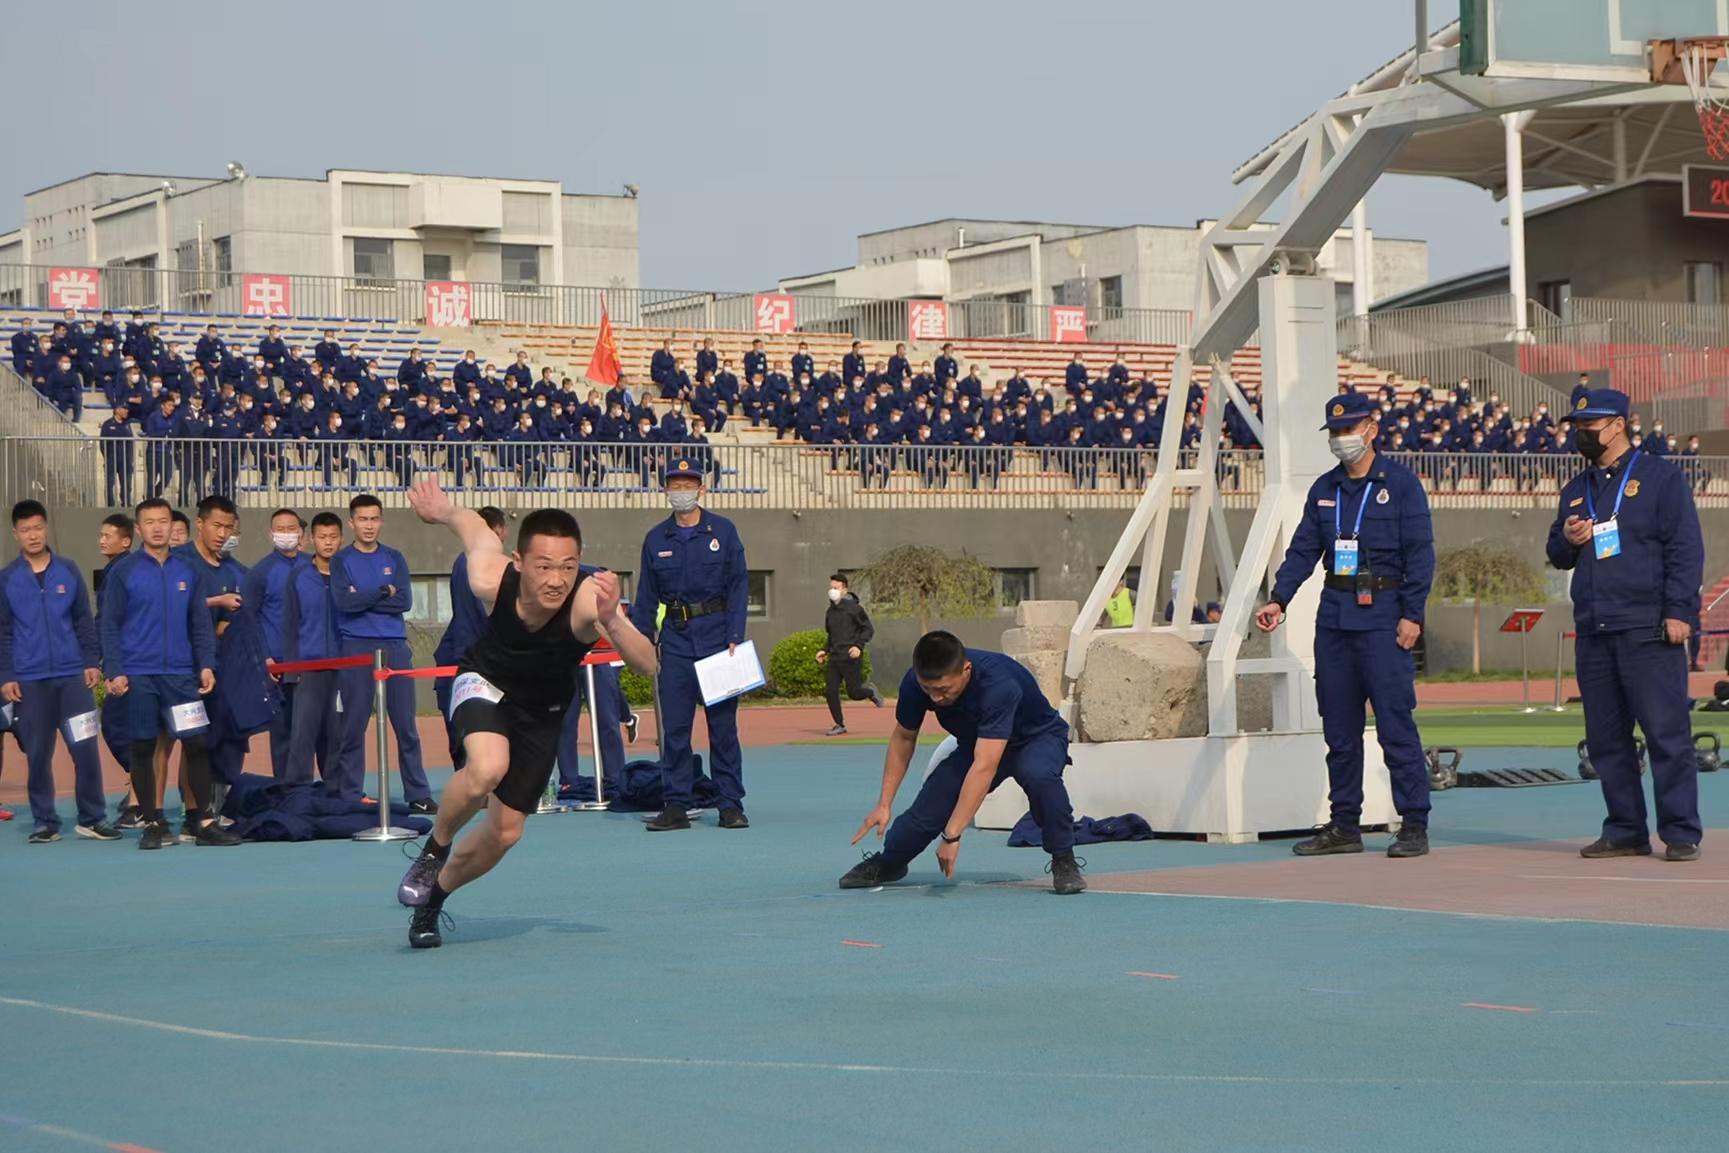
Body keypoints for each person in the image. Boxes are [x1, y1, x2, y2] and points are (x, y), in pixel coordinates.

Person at [394, 480, 658, 948]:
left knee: (506, 832)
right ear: (519, 563)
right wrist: (444, 509)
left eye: (568, 567)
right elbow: (476, 531)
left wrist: (613, 619)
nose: (556, 579)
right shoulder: (490, 576)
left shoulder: (585, 603)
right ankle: (434, 848)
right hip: (485, 683)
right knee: (486, 768)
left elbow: (649, 663)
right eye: (543, 567)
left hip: (542, 712)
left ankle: (433, 899)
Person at [1254, 391, 1435, 859]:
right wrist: (1279, 599)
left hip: (1384, 616)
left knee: (1396, 725)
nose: (1341, 439)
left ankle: (1413, 823)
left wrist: (1412, 614)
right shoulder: (1324, 489)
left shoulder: (1401, 485)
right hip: (1335, 618)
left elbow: (1421, 555)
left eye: (1348, 429)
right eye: (1334, 432)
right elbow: (1302, 552)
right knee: (1339, 730)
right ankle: (1344, 825)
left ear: (1372, 428)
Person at [1547, 388, 1704, 861]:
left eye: (1587, 425)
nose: (1579, 433)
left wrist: (1679, 611)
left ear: (1617, 424)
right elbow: (1556, 554)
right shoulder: (1576, 489)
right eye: (1575, 425)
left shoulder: (1660, 478)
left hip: (1647, 626)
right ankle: (1625, 829)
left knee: (1666, 733)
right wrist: (1569, 540)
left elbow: (1685, 548)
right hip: (1595, 628)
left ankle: (1680, 832)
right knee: (1606, 739)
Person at [840, 630, 1086, 895]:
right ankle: (890, 862)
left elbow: (984, 766)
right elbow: (903, 738)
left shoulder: (999, 684)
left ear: (966, 670)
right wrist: (884, 803)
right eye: (927, 689)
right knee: (927, 812)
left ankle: (1064, 858)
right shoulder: (915, 682)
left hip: (1035, 739)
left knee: (1038, 775)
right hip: (977, 743)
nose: (935, 698)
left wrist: (952, 835)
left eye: (943, 690)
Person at [100, 498, 239, 850]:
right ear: (139, 529)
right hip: (140, 675)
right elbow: (110, 625)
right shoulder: (123, 572)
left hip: (181, 676)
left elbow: (199, 625)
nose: (158, 527)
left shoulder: (187, 571)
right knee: (144, 746)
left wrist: (206, 664)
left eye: (163, 521)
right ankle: (153, 822)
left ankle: (203, 821)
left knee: (197, 744)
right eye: (150, 522)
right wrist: (114, 669)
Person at [630, 458, 750, 831]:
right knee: (676, 729)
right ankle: (676, 803)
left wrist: (735, 634)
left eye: (688, 484)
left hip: (718, 640)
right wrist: (642, 641)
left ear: (702, 488)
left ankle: (730, 804)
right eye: (675, 484)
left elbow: (739, 587)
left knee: (723, 729)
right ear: (665, 490)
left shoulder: (724, 532)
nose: (681, 491)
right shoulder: (655, 539)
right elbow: (646, 598)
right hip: (678, 641)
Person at [0, 501, 118, 843]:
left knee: (85, 749)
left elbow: (84, 619)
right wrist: (6, 676)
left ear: (46, 528)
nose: (33, 535)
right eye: (25, 530)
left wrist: (89, 661)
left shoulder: (68, 570)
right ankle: (44, 822)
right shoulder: (7, 579)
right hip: (30, 681)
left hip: (72, 679)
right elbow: (3, 632)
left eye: (37, 528)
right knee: (37, 755)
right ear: (16, 534)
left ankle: (93, 817)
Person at [331, 494, 434, 810]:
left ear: (382, 521)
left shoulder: (395, 557)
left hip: (394, 647)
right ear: (351, 522)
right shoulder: (341, 560)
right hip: (357, 647)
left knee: (406, 725)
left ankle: (417, 795)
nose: (369, 525)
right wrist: (381, 591)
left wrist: (365, 597)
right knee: (353, 725)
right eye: (362, 519)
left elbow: (403, 602)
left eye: (374, 519)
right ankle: (351, 794)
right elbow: (344, 604)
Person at [433, 506, 508, 767]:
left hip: (467, 658)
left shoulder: (472, 562)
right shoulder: (475, 565)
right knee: (472, 734)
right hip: (471, 661)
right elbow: (479, 617)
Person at [243, 509, 308, 776]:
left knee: (317, 728)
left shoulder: (313, 565)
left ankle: (324, 789)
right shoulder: (260, 572)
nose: (286, 534)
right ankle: (285, 787)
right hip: (279, 663)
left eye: (291, 528)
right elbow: (250, 618)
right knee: (283, 730)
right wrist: (264, 656)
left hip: (314, 661)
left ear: (301, 532)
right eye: (280, 529)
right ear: (270, 534)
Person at [282, 513, 344, 784]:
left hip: (344, 669)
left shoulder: (349, 573)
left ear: (341, 539)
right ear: (311, 539)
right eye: (322, 537)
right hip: (307, 669)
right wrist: (292, 669)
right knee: (303, 735)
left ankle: (336, 792)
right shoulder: (298, 577)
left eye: (333, 537)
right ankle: (298, 790)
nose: (327, 543)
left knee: (337, 734)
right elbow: (290, 624)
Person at [816, 574, 883, 736]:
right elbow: (831, 635)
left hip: (851, 657)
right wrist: (824, 650)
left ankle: (870, 692)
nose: (832, 591)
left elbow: (868, 629)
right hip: (835, 658)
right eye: (831, 587)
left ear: (844, 590)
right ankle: (839, 724)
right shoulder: (830, 612)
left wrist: (858, 646)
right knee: (830, 691)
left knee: (854, 693)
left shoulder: (855, 609)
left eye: (836, 588)